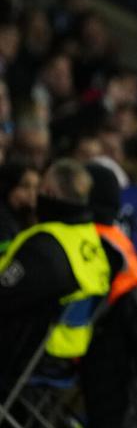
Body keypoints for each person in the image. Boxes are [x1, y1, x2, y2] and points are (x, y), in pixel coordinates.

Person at [0, 159, 111, 380]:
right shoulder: (91, 240)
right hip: (72, 357)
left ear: (49, 192)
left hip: (29, 356)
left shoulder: (45, 244)